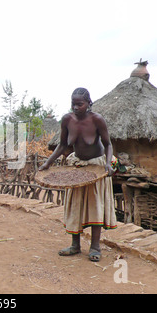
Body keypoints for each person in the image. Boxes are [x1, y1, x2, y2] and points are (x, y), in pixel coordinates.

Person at [39, 88, 117, 262]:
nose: (75, 107)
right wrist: (47, 163)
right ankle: (75, 245)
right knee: (75, 205)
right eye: (73, 104)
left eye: (79, 104)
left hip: (96, 166)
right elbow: (61, 146)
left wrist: (107, 163)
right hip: (77, 166)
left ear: (89, 103)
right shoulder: (67, 120)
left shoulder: (97, 120)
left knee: (95, 205)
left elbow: (108, 144)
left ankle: (95, 247)